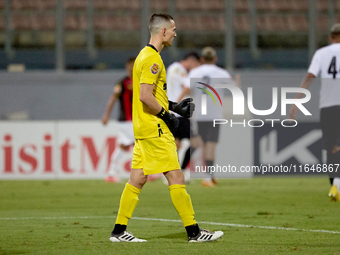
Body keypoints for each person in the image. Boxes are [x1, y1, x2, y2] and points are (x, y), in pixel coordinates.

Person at [109, 13, 224, 243]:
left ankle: (119, 231)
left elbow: (152, 95)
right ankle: (194, 232)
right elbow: (144, 97)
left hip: (142, 129)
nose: (175, 33)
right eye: (173, 29)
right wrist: (166, 115)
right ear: (163, 31)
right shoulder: (153, 59)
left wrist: (174, 107)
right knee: (176, 175)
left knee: (137, 179)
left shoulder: (143, 55)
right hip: (155, 128)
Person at [290, 24, 340, 202]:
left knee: (331, 147)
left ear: (330, 37)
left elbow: (310, 76)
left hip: (328, 106)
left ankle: (334, 184)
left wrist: (296, 100)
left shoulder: (322, 53)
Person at [186, 47, 232, 187]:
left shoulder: (195, 72)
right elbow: (234, 88)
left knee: (198, 145)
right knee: (210, 146)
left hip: (199, 114)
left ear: (201, 59)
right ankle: (208, 177)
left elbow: (187, 89)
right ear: (216, 59)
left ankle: (185, 172)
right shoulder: (222, 73)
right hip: (214, 114)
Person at [167, 52, 201, 183]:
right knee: (196, 142)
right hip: (179, 114)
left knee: (176, 144)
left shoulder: (174, 69)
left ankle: (173, 174)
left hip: (177, 114)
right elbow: (187, 89)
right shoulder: (178, 70)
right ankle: (180, 172)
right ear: (191, 61)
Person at [102, 57, 135, 183]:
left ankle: (111, 172)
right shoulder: (122, 83)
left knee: (123, 146)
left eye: (134, 65)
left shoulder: (141, 81)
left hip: (136, 120)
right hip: (127, 120)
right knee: (140, 144)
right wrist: (106, 115)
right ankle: (147, 172)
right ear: (126, 67)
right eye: (130, 65)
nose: (132, 67)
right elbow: (113, 99)